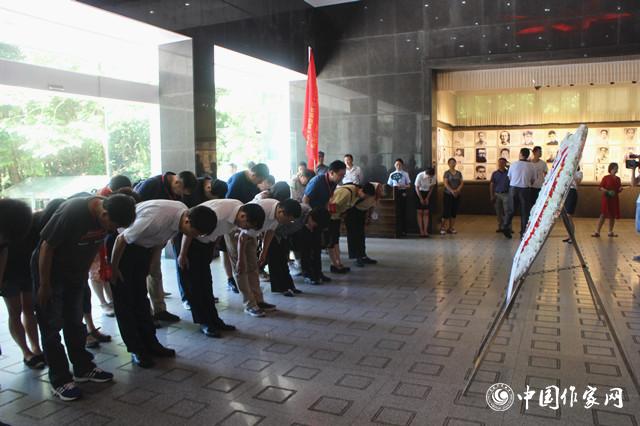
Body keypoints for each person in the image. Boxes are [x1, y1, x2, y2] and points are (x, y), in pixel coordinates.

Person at [34, 194, 136, 401]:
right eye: (112, 225)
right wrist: (44, 285)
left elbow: (92, 246)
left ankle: (83, 367)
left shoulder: (109, 213)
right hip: (51, 274)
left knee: (75, 322)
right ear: (104, 214)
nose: (112, 230)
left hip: (75, 275)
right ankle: (60, 380)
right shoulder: (74, 211)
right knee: (51, 326)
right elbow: (46, 247)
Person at [110, 200, 216, 369]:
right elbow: (121, 239)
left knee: (141, 298)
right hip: (123, 248)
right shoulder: (155, 219)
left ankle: (151, 343)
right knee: (125, 302)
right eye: (194, 233)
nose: (193, 236)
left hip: (143, 247)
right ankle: (136, 349)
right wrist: (113, 268)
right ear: (187, 221)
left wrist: (151, 264)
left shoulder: (182, 214)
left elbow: (160, 240)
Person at [178, 200, 264, 336]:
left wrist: (213, 248)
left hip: (206, 242)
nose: (245, 229)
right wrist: (182, 254)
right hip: (191, 240)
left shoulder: (238, 214)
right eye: (246, 226)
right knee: (196, 284)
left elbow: (219, 232)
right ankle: (204, 322)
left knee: (206, 282)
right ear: (243, 216)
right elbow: (190, 227)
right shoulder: (219, 213)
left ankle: (214, 320)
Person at [134, 171, 197, 324]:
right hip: (138, 237)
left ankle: (160, 310)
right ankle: (146, 314)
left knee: (155, 272)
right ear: (177, 183)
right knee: (140, 275)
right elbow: (134, 210)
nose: (181, 196)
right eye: (181, 192)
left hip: (157, 238)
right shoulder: (152, 185)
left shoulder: (176, 193)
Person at [0, 200, 43, 369]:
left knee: (30, 309)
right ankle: (26, 352)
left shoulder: (28, 223)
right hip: (8, 275)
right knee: (15, 311)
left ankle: (36, 348)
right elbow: (3, 252)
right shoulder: (6, 228)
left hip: (27, 269)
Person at [327, 183, 376, 272]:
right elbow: (332, 204)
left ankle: (337, 264)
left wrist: (342, 214)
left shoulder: (356, 195)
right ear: (361, 190)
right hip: (331, 218)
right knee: (332, 241)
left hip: (336, 217)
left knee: (335, 240)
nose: (364, 198)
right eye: (365, 195)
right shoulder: (347, 192)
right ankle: (334, 265)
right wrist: (333, 216)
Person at [291, 208, 331, 286]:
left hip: (314, 231)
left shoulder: (318, 217)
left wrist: (314, 227)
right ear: (310, 217)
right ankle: (307, 274)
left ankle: (318, 273)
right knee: (305, 252)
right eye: (314, 223)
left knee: (317, 251)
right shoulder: (299, 217)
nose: (314, 225)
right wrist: (308, 227)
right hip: (301, 232)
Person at [503, 148, 535, 239]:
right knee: (525, 212)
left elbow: (509, 177)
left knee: (511, 210)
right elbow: (533, 180)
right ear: (528, 155)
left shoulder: (513, 164)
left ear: (520, 154)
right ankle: (523, 233)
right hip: (525, 190)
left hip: (513, 189)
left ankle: (505, 226)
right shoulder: (531, 166)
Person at [345, 183, 381, 265]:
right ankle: (356, 257)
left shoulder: (375, 193)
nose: (381, 191)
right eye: (380, 189)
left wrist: (369, 217)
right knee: (354, 235)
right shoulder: (364, 190)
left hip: (362, 212)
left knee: (361, 234)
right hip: (352, 212)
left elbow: (371, 206)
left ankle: (363, 255)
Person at [592, 163, 623, 238]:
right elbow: (600, 187)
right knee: (603, 214)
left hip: (614, 199)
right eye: (615, 168)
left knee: (612, 215)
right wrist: (607, 191)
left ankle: (610, 231)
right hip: (606, 198)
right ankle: (597, 231)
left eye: (617, 168)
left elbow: (618, 189)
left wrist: (620, 189)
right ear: (611, 169)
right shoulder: (606, 178)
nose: (616, 170)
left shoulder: (618, 179)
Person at [387, 159, 411, 237]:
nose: (398, 166)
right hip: (394, 194)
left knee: (403, 211)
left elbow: (409, 185)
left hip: (402, 192)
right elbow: (389, 185)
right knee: (395, 211)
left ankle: (404, 230)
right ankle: (395, 230)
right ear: (394, 165)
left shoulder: (405, 174)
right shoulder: (392, 174)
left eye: (399, 164)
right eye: (397, 164)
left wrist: (402, 185)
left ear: (402, 165)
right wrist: (394, 187)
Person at [441, 158, 463, 235]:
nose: (452, 164)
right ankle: (443, 227)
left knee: (454, 211)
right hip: (448, 194)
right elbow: (445, 183)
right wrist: (452, 191)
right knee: (446, 211)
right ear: (448, 164)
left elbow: (461, 183)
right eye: (451, 162)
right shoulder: (446, 173)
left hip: (457, 194)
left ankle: (451, 228)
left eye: (454, 162)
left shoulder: (459, 173)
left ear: (455, 163)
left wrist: (457, 190)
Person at [563, 166, 583, 244]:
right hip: (566, 193)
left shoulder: (579, 173)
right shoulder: (567, 172)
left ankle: (572, 236)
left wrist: (572, 174)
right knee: (566, 217)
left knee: (569, 215)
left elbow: (577, 183)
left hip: (572, 193)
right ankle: (569, 235)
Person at [415, 167, 437, 237]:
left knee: (426, 213)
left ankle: (425, 231)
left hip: (427, 193)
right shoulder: (420, 175)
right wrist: (421, 198)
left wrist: (427, 198)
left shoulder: (434, 176)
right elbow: (416, 188)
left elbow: (432, 187)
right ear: (426, 173)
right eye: (429, 176)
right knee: (420, 212)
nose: (430, 177)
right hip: (419, 193)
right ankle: (421, 231)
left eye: (432, 176)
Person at [490, 158, 510, 233]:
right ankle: (500, 226)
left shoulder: (509, 173)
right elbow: (492, 184)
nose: (501, 164)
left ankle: (508, 227)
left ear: (505, 163)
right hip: (497, 194)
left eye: (503, 162)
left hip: (506, 194)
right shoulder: (495, 173)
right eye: (500, 162)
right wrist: (491, 195)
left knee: (507, 211)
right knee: (498, 212)